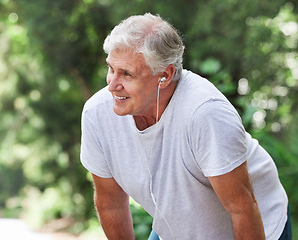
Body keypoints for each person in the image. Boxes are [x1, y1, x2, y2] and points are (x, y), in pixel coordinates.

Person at [80, 13, 291, 240]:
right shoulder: (97, 114)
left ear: (165, 76)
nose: (112, 85)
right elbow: (110, 203)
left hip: (259, 225)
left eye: (127, 74)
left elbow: (242, 208)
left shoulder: (205, 113)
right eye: (111, 69)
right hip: (176, 229)